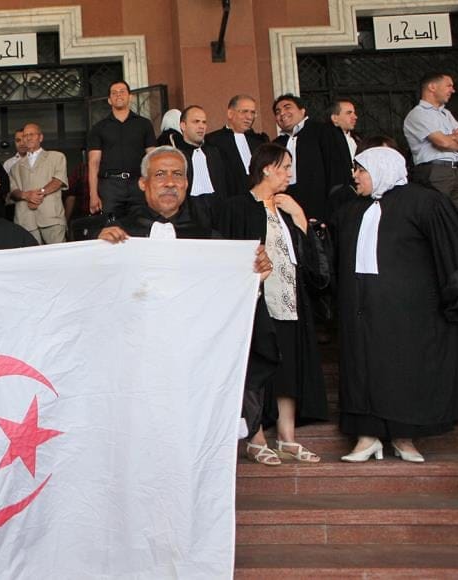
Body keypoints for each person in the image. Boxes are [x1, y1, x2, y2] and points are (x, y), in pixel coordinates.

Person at [96, 147, 277, 446]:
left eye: (178, 174)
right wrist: (96, 254)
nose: (170, 182)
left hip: (192, 371)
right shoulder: (117, 236)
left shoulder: (212, 241)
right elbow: (94, 299)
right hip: (135, 367)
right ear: (143, 183)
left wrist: (252, 279)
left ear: (188, 184)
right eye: (160, 174)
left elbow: (229, 305)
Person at [333, 147, 458, 462]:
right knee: (361, 366)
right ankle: (366, 437)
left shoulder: (424, 202)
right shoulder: (351, 209)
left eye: (361, 170)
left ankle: (404, 438)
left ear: (380, 169)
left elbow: (450, 250)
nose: (355, 176)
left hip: (407, 312)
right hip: (361, 309)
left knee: (401, 367)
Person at [215, 143, 330, 465]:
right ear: (267, 168)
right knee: (258, 367)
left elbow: (313, 267)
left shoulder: (288, 209)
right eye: (285, 167)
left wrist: (300, 218)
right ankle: (256, 437)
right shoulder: (237, 207)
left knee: (290, 367)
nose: (290, 174)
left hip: (291, 301)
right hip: (256, 302)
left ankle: (287, 437)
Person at [272, 94, 354, 223]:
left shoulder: (325, 131)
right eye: (278, 111)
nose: (282, 113)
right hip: (287, 212)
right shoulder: (276, 144)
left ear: (302, 110)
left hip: (323, 209)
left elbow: (338, 171)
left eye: (287, 107)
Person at [87, 80, 156, 219]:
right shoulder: (99, 128)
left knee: (141, 226)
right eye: (114, 93)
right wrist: (93, 194)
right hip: (110, 187)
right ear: (109, 100)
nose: (118, 95)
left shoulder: (144, 124)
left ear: (130, 97)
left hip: (138, 183)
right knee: (112, 229)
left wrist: (153, 186)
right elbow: (93, 163)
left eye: (122, 91)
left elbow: (153, 158)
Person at [403, 72, 458, 214]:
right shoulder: (418, 114)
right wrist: (451, 139)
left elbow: (446, 141)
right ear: (432, 87)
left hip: (456, 171)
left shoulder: (446, 113)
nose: (452, 90)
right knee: (440, 216)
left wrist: (448, 138)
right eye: (449, 85)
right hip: (435, 172)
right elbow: (442, 142)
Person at [9, 123, 69, 244]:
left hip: (51, 216)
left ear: (40, 137)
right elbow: (13, 192)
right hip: (26, 220)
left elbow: (58, 181)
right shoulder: (15, 167)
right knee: (31, 260)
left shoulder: (57, 157)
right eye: (25, 135)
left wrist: (38, 194)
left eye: (32, 134)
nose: (28, 138)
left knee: (59, 258)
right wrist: (27, 196)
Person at [175, 105, 231, 228]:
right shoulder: (176, 156)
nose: (201, 126)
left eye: (204, 122)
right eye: (196, 122)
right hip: (188, 214)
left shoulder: (215, 153)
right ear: (183, 126)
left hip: (217, 212)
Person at [205, 95, 270, 194]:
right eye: (244, 111)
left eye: (252, 113)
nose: (249, 117)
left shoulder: (259, 142)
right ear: (230, 113)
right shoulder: (213, 141)